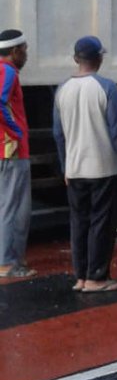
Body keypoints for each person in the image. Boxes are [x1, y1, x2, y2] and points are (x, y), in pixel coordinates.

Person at [53, 35, 117, 293]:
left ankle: (80, 276)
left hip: (75, 169)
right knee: (102, 221)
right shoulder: (107, 87)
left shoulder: (62, 89)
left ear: (76, 59)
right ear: (98, 58)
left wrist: (65, 165)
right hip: (102, 167)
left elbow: (58, 133)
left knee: (79, 221)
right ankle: (97, 277)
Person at [0, 29, 35, 280]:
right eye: (24, 49)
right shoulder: (8, 71)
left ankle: (8, 260)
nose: (26, 54)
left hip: (6, 149)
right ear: (14, 51)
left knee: (7, 206)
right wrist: (17, 133)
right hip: (12, 150)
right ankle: (8, 263)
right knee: (13, 207)